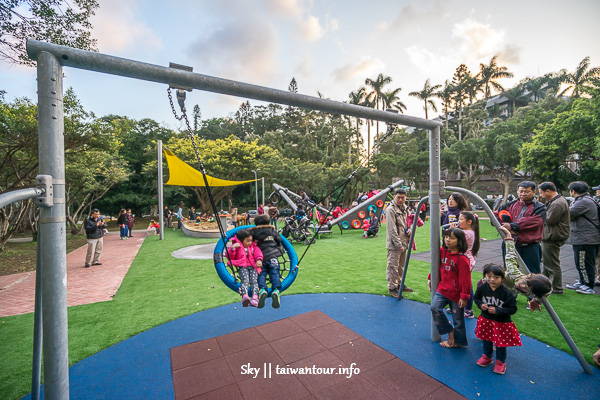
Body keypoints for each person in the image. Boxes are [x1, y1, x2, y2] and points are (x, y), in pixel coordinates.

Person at [474, 263, 522, 375]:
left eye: (496, 277)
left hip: (501, 322)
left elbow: (512, 308)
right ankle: (487, 356)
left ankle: (500, 362)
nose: (492, 280)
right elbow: (476, 298)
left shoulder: (506, 292)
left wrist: (498, 311)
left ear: (502, 278)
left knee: (500, 343)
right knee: (486, 339)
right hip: (486, 319)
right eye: (489, 276)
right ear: (485, 276)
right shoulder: (482, 288)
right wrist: (481, 305)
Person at [429, 228, 472, 348]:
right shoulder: (443, 251)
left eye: (452, 237)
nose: (447, 240)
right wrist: (431, 278)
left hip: (456, 294)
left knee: (458, 320)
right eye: (446, 236)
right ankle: (450, 331)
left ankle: (458, 342)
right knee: (435, 308)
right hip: (443, 289)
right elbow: (437, 266)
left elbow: (466, 280)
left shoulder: (463, 259)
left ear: (459, 241)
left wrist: (464, 297)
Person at [496, 181, 546, 274]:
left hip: (530, 245)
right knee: (509, 271)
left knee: (532, 273)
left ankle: (532, 289)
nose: (523, 194)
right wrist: (503, 225)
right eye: (521, 191)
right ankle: (511, 288)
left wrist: (512, 226)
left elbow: (534, 222)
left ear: (534, 192)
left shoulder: (539, 207)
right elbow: (496, 215)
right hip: (510, 243)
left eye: (527, 191)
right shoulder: (509, 205)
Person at [565, 181, 600, 295]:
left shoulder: (584, 201)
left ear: (573, 191)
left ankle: (588, 285)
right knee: (580, 261)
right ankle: (582, 281)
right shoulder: (586, 200)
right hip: (584, 237)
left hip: (586, 238)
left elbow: (568, 214)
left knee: (584, 262)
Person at [538, 182, 570, 294]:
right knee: (547, 264)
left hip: (553, 236)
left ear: (548, 191)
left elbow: (549, 220)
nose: (541, 195)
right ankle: (544, 285)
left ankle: (557, 288)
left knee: (552, 264)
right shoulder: (557, 201)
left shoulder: (557, 203)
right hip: (552, 236)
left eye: (541, 193)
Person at [448, 211, 480, 319]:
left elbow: (453, 242)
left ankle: (468, 310)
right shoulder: (470, 231)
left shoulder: (466, 233)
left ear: (469, 222)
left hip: (465, 261)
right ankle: (459, 305)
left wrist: (451, 231)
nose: (458, 221)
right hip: (468, 259)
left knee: (466, 285)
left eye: (461, 219)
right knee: (461, 283)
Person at [385, 188, 413, 296]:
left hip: (404, 242)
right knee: (393, 265)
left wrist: (409, 228)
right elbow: (392, 230)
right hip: (394, 244)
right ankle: (392, 287)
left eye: (402, 198)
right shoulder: (390, 210)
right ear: (394, 197)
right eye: (398, 197)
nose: (400, 200)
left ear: (405, 198)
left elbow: (409, 221)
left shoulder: (405, 209)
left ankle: (399, 284)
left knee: (401, 265)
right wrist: (398, 244)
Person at [253, 215, 284, 309]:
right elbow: (279, 240)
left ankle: (262, 290)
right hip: (273, 257)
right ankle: (276, 290)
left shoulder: (254, 232)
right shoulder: (273, 231)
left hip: (260, 258)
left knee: (261, 274)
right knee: (275, 273)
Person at [226, 229, 263, 307]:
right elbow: (231, 257)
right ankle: (245, 296)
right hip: (242, 266)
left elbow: (258, 253)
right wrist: (233, 248)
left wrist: (259, 260)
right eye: (247, 241)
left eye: (251, 240)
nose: (250, 242)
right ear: (241, 240)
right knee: (245, 280)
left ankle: (255, 298)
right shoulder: (237, 246)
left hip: (253, 266)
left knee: (254, 281)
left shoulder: (253, 246)